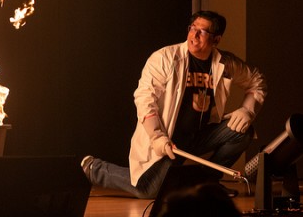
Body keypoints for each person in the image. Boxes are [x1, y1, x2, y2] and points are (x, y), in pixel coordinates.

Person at [81, 11, 267, 199]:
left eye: (202, 32)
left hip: (198, 137)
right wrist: (157, 137)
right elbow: (145, 99)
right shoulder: (165, 58)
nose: (194, 36)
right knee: (148, 190)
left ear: (216, 39)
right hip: (168, 139)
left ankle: (206, 184)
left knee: (243, 132)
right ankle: (94, 168)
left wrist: (247, 109)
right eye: (192, 28)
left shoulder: (225, 63)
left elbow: (256, 80)